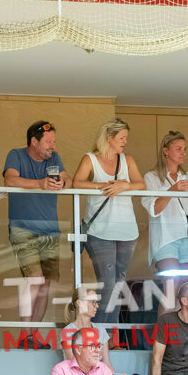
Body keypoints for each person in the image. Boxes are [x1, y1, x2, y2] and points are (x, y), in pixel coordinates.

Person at [72, 118, 146, 325]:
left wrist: (124, 186)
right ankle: (101, 333)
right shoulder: (90, 159)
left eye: (125, 138)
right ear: (109, 138)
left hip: (127, 231)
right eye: (121, 138)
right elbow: (77, 182)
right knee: (108, 283)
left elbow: (142, 185)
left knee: (118, 283)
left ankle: (108, 334)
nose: (124, 142)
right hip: (99, 231)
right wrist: (105, 185)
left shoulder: (127, 160)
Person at [3, 120, 68, 323]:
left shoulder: (54, 158)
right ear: (34, 142)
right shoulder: (16, 155)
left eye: (54, 141)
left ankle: (32, 335)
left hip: (51, 231)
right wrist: (40, 184)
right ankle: (25, 334)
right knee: (35, 279)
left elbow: (69, 180)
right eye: (48, 141)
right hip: (23, 228)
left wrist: (61, 183)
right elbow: (10, 180)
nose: (53, 146)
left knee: (45, 283)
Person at [140, 130, 188, 274]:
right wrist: (172, 190)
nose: (183, 153)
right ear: (166, 151)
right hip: (165, 238)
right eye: (179, 149)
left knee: (186, 287)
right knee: (171, 285)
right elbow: (153, 209)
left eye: (185, 149)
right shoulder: (151, 177)